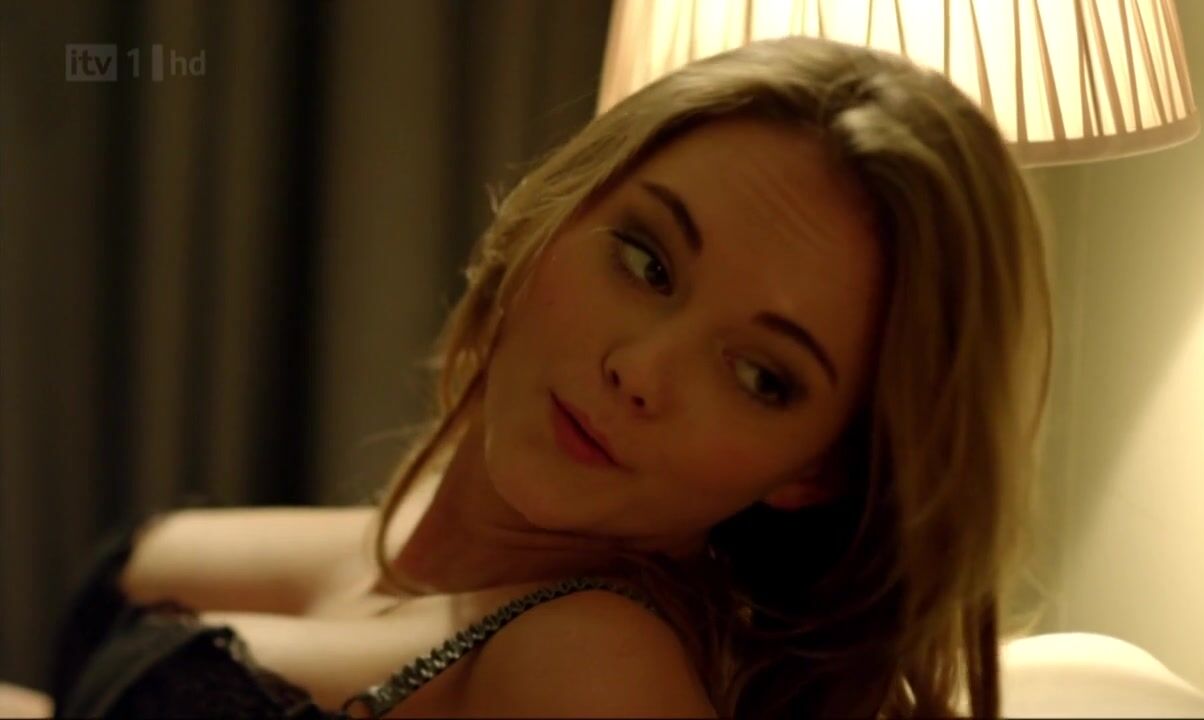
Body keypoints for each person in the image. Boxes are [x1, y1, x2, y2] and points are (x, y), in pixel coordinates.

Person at [37, 35, 1051, 719]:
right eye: (647, 261)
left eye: (759, 374)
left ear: (817, 470)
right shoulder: (444, 556)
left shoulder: (594, 665)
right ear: (554, 214)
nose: (639, 370)